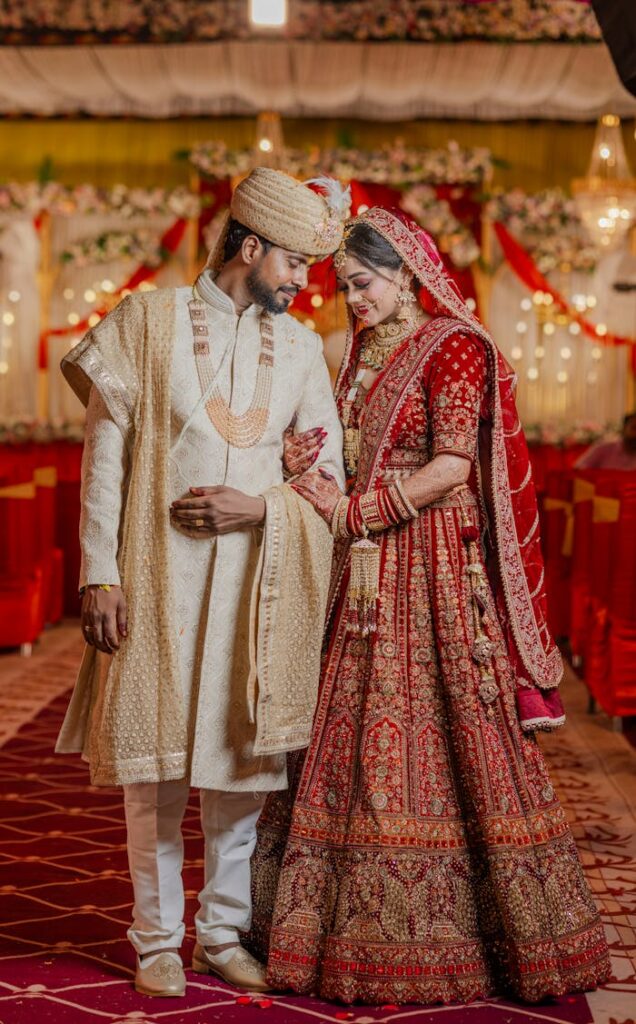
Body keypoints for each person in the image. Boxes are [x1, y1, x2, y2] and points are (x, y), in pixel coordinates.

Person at [248, 208, 611, 1005]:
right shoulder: (364, 352)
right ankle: (324, 926)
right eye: (345, 288)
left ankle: (468, 932)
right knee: (343, 723)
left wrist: (362, 513)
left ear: (409, 274)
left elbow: (450, 465)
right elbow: (348, 447)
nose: (354, 300)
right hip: (363, 565)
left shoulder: (453, 347)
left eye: (365, 284)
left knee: (444, 723)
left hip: (430, 558)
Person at [55, 168, 348, 997]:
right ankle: (155, 941)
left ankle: (220, 934)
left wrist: (258, 506)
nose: (302, 283)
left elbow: (324, 473)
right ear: (249, 246)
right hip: (155, 578)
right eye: (293, 263)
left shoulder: (298, 349)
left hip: (255, 587)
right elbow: (104, 458)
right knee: (153, 770)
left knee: (238, 771)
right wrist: (98, 574)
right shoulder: (146, 320)